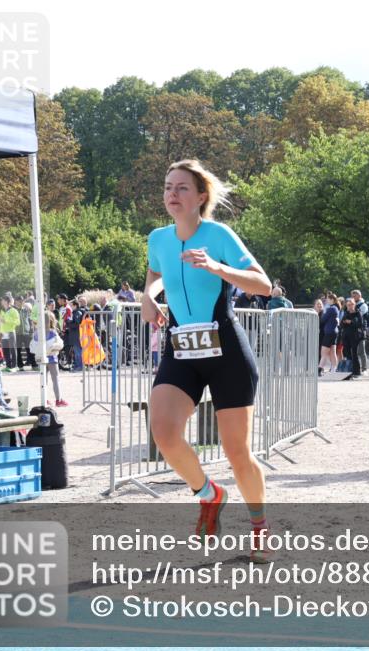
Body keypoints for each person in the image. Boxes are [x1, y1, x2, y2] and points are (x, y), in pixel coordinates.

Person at [142, 158, 273, 561]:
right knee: (164, 432)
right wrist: (149, 297)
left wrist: (216, 267)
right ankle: (209, 494)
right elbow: (156, 274)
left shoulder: (219, 234)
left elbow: (263, 285)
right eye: (168, 187)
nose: (172, 194)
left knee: (237, 452)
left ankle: (260, 527)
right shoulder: (158, 238)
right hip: (182, 350)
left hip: (226, 351)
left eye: (182, 188)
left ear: (201, 197)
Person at [33, 311, 67, 407]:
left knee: (44, 380)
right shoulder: (53, 332)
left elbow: (33, 346)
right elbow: (60, 344)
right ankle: (58, 400)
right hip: (52, 358)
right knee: (55, 379)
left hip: (41, 358)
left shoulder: (36, 333)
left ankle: (45, 399)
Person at [339, 298, 365, 378]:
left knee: (354, 354)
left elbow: (360, 324)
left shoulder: (358, 313)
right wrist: (344, 322)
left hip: (355, 336)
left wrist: (351, 322)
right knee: (347, 354)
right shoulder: (346, 313)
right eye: (348, 305)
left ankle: (357, 372)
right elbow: (341, 325)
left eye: (351, 304)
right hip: (346, 336)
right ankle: (349, 371)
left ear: (354, 305)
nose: (350, 306)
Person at [0, 293, 21, 372]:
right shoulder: (2, 311)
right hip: (3, 333)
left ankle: (14, 366)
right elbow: (1, 323)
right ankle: (8, 366)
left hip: (11, 332)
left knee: (12, 350)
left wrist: (6, 320)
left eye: (3, 300)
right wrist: (0, 333)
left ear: (7, 301)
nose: (1, 302)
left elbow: (18, 322)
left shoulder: (14, 311)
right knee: (5, 350)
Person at [318, 293, 339, 375]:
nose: (326, 300)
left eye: (328, 299)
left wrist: (322, 313)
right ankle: (334, 369)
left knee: (324, 352)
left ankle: (320, 369)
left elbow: (323, 319)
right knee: (332, 352)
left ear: (332, 300)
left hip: (329, 333)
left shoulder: (331, 309)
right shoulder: (335, 308)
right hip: (333, 332)